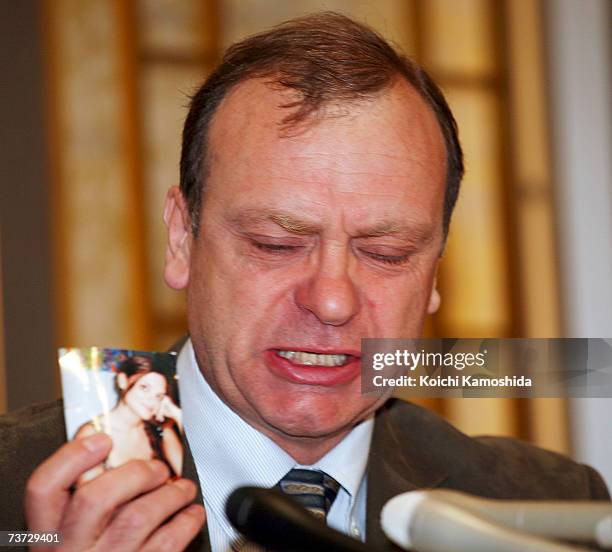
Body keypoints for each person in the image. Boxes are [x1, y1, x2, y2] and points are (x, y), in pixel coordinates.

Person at [0, 12, 609, 552]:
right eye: (277, 244)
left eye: (386, 253)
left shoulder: (545, 512)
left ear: (435, 271)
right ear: (183, 238)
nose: (333, 300)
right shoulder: (16, 497)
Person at [73, 355, 183, 485]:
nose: (152, 400)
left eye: (159, 396)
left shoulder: (161, 431)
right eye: (144, 387)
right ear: (122, 381)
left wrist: (178, 416)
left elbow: (192, 483)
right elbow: (89, 499)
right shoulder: (92, 434)